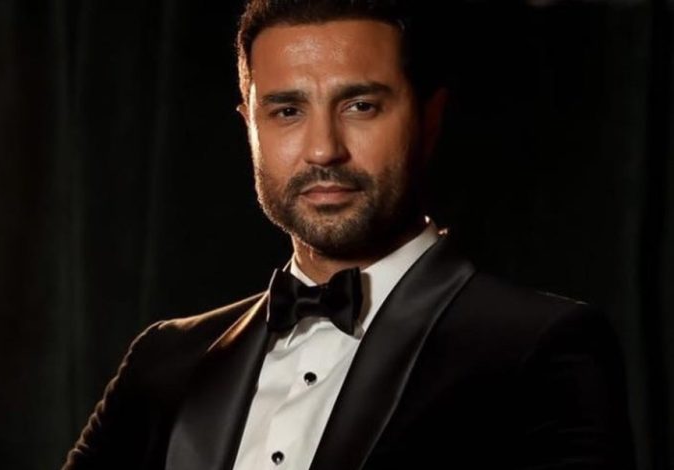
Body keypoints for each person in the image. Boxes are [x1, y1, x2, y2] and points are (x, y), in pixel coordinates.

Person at [62, 1, 635, 468]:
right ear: (250, 128)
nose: (323, 150)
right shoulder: (165, 357)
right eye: (287, 112)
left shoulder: (541, 345)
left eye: (360, 105)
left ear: (430, 118)